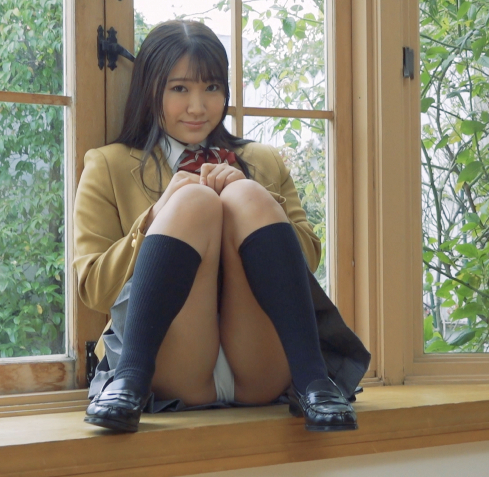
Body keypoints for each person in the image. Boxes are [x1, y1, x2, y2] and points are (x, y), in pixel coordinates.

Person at [73, 20, 370, 433]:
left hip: (261, 364)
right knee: (193, 200)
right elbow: (94, 289)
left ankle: (313, 381)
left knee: (243, 194)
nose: (198, 107)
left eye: (211, 87)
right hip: (170, 363)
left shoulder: (264, 160)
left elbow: (307, 261)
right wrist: (156, 215)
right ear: (150, 90)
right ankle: (130, 379)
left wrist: (257, 197)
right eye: (180, 89)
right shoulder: (108, 165)